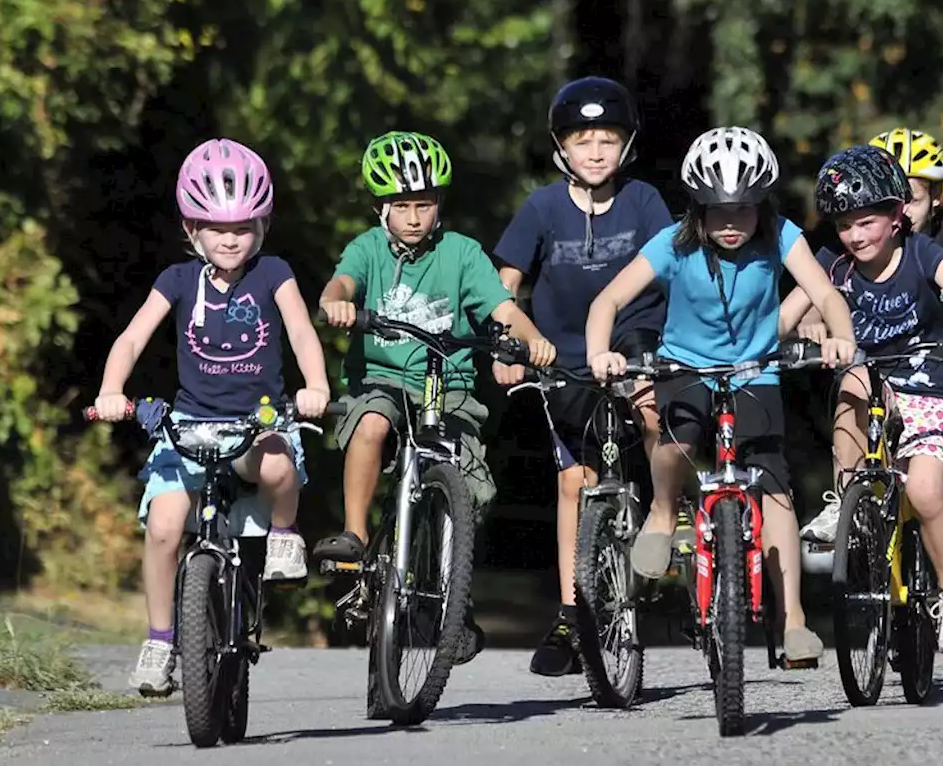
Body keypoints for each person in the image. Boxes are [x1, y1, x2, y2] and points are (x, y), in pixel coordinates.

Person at [586, 126, 857, 665]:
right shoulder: (673, 244)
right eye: (717, 211)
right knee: (676, 436)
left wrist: (841, 335)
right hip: (685, 367)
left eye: (743, 210)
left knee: (773, 481)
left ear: (763, 205)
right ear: (696, 209)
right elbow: (607, 300)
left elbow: (824, 291)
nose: (731, 224)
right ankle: (663, 514)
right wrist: (601, 353)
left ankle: (794, 621)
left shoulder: (780, 235)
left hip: (755, 372)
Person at [91, 138, 332, 696]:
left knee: (277, 468)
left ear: (263, 227)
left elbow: (300, 331)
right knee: (165, 526)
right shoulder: (177, 280)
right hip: (189, 426)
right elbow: (131, 338)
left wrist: (315, 385)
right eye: (215, 225)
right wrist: (111, 388)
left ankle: (284, 534)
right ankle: (158, 640)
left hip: (256, 423)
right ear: (190, 229)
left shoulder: (274, 273)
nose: (230, 237)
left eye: (244, 226)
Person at [315, 130, 556, 663]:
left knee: (473, 489)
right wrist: (337, 305)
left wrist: (530, 340)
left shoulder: (463, 254)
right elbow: (342, 285)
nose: (415, 217)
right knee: (371, 426)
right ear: (381, 207)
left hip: (448, 390)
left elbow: (502, 308)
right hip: (381, 381)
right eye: (402, 206)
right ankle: (356, 535)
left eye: (424, 204)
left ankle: (452, 598)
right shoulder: (368, 249)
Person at [798, 128, 943, 637]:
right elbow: (793, 312)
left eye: (867, 221)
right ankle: (845, 501)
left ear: (902, 211)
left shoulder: (932, 251)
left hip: (938, 381)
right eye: (845, 224)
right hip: (880, 380)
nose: (856, 234)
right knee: (854, 376)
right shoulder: (836, 263)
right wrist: (804, 328)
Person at [492, 76, 672, 676]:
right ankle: (571, 614)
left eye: (607, 140)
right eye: (582, 140)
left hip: (633, 337)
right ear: (560, 147)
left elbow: (674, 268)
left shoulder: (644, 201)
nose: (595, 152)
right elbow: (507, 284)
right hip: (562, 356)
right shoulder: (541, 207)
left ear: (627, 146)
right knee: (575, 482)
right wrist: (510, 343)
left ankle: (668, 514)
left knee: (650, 408)